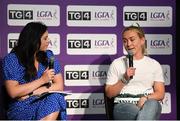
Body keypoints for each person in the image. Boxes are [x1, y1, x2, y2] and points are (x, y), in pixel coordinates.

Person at [2, 22, 66, 120]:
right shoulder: (12, 59)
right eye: (45, 38)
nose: (48, 41)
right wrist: (42, 80)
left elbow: (59, 86)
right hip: (21, 106)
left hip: (41, 99)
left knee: (56, 97)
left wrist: (33, 93)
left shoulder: (49, 56)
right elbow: (13, 91)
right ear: (34, 40)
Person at [105, 25, 165, 120]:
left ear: (142, 40)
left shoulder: (154, 64)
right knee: (146, 116)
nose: (128, 44)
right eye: (125, 41)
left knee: (153, 104)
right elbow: (109, 93)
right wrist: (124, 79)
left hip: (148, 103)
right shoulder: (117, 63)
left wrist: (145, 99)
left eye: (132, 40)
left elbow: (160, 93)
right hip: (124, 106)